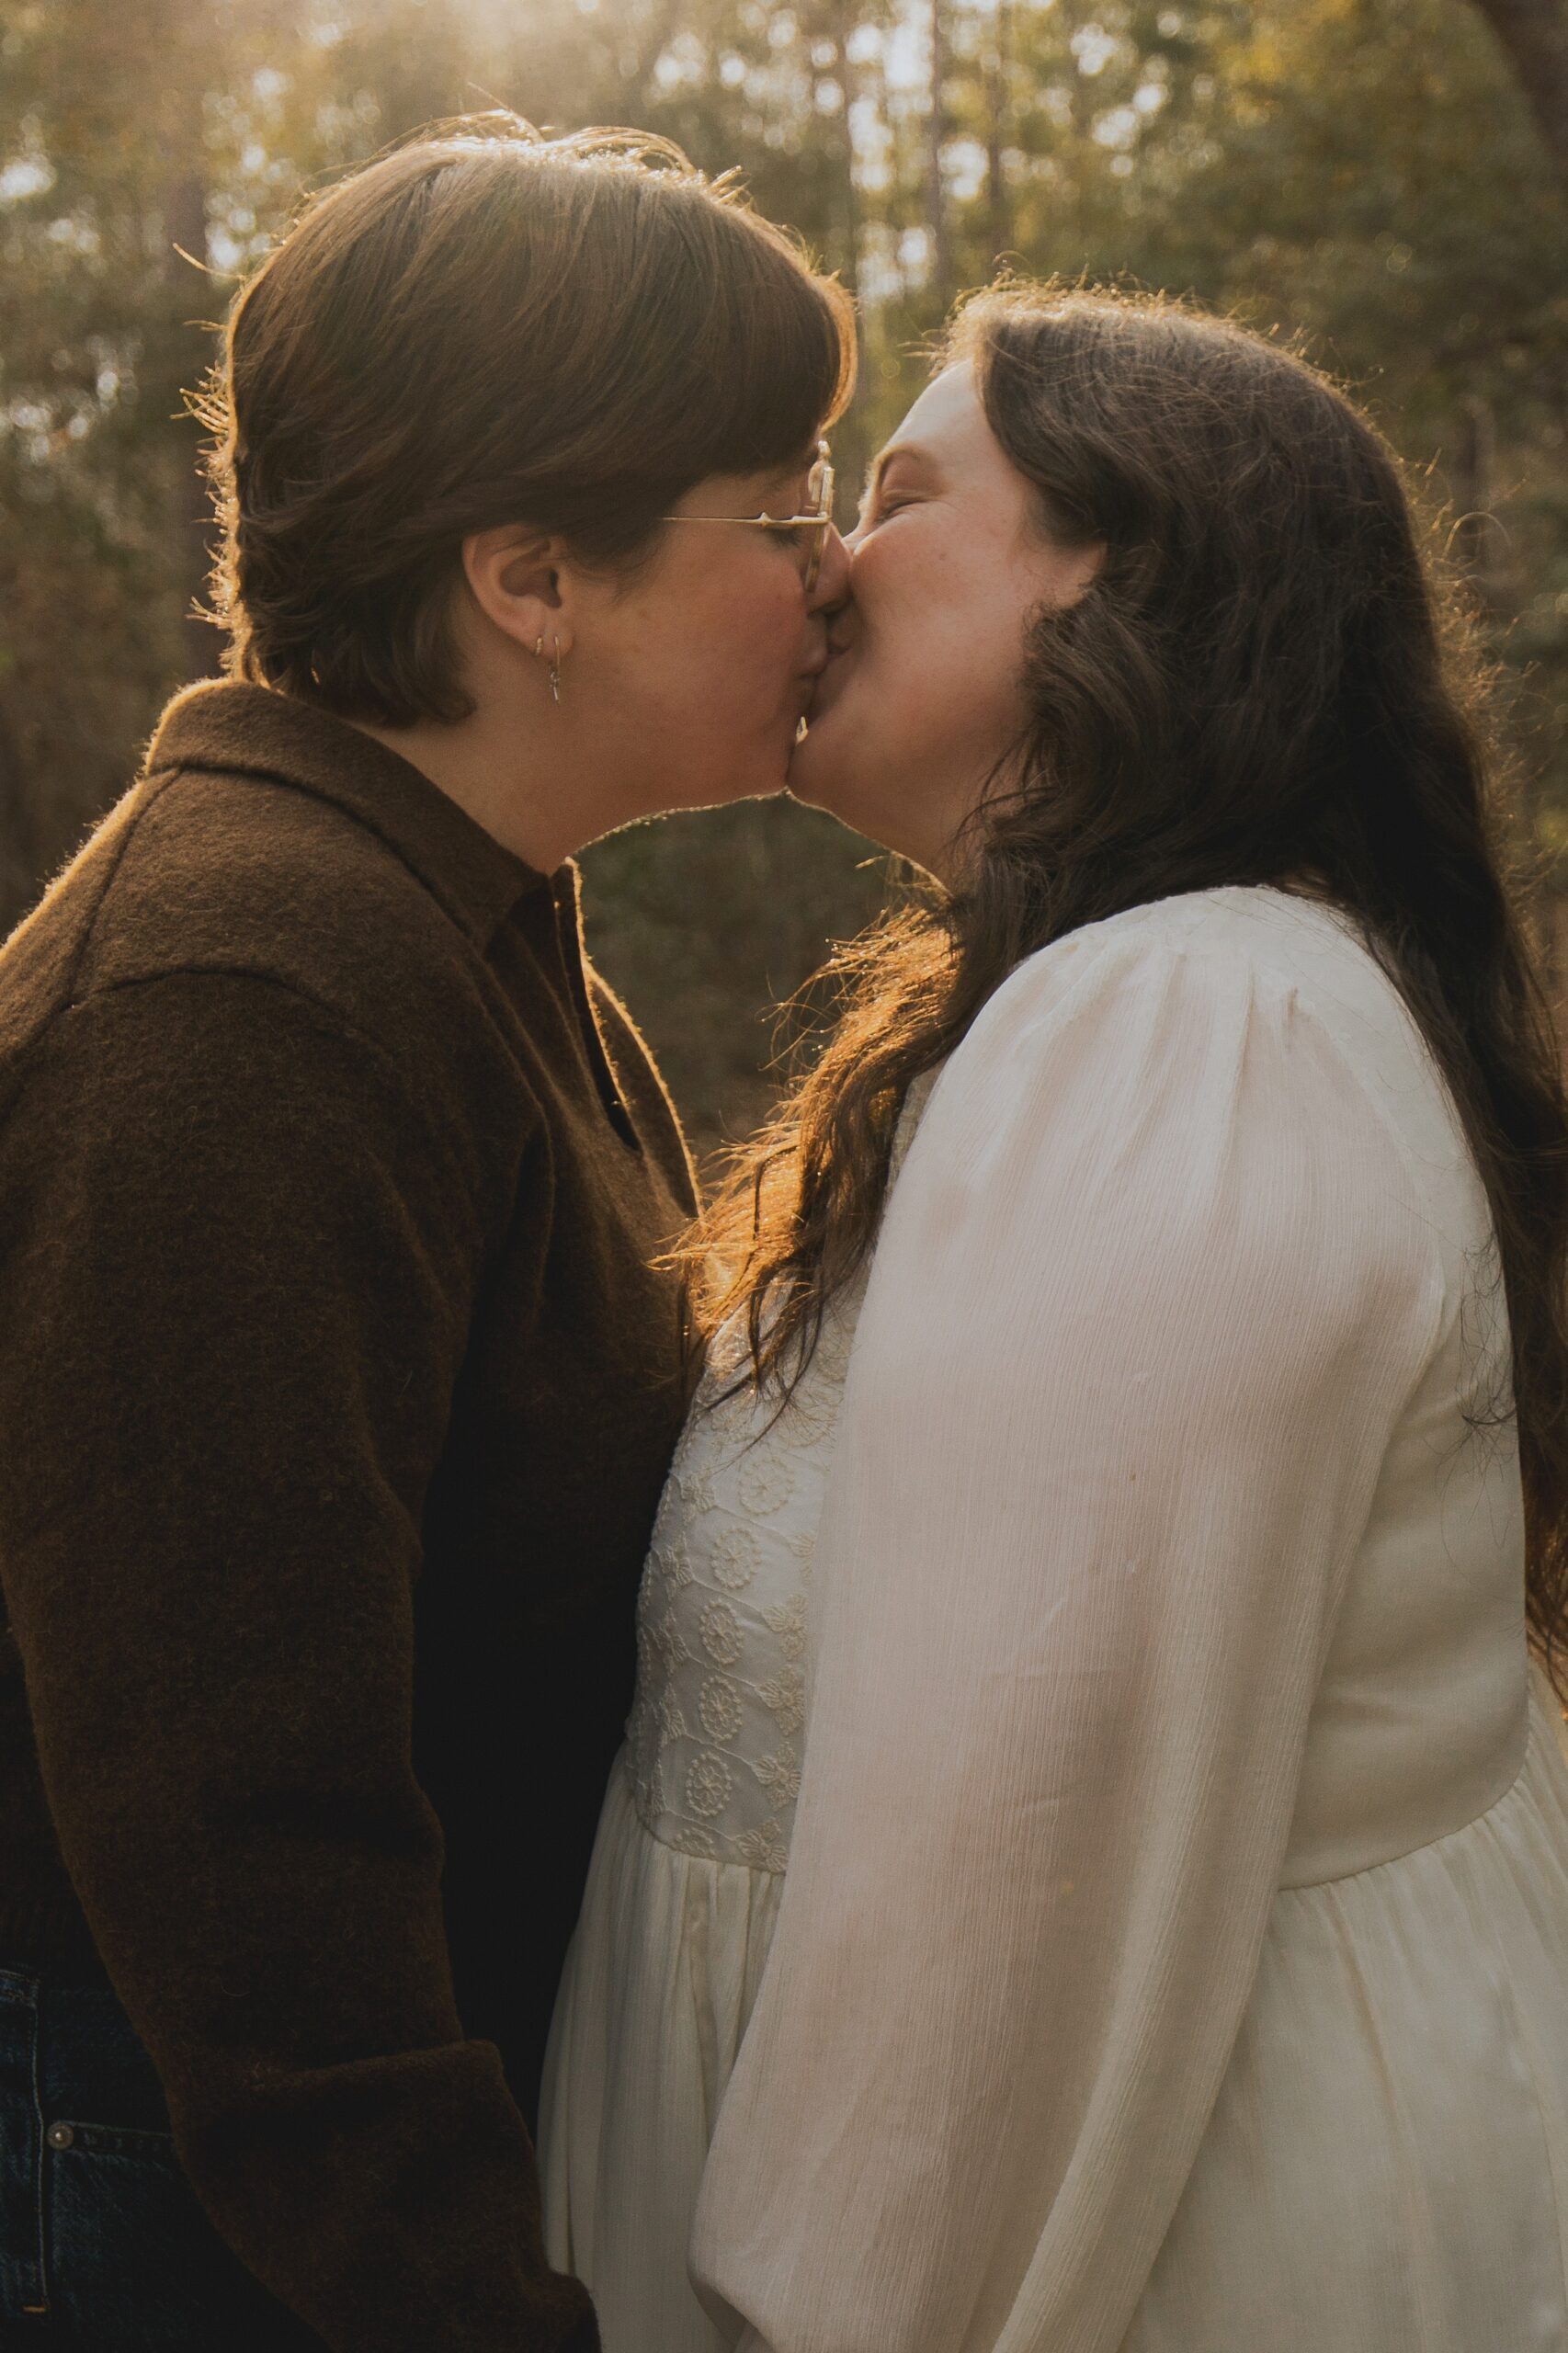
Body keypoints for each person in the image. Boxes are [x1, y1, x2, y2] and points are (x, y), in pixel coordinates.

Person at [540, 285, 1568, 2350]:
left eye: (901, 493)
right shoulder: (1124, 1002)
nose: (826, 560)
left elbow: (1016, 1875)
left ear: (1124, 575)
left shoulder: (1187, 1034)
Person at [0, 118, 851, 2351]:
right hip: (212, 2208)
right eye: (781, 515)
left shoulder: (449, 920)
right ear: (531, 578)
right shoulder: (242, 999)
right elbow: (246, 1836)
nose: (837, 571)